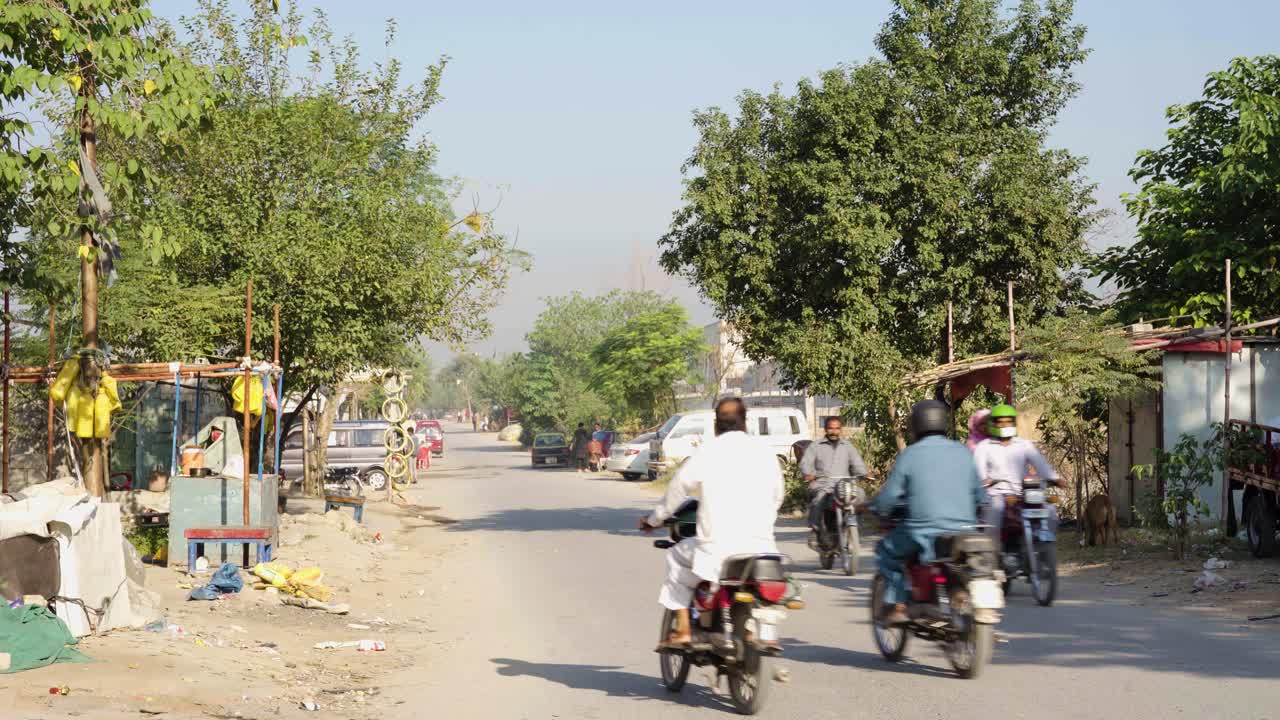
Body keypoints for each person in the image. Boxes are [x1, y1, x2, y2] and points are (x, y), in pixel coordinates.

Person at [639, 397, 784, 647]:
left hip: (717, 550)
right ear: (745, 422)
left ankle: (684, 629)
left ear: (716, 425)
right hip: (763, 550)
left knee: (675, 556)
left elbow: (678, 488)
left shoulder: (709, 452)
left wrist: (654, 520)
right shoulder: (765, 454)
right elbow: (778, 497)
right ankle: (746, 634)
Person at [858, 400, 987, 624]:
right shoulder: (962, 451)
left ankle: (897, 605)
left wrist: (877, 509)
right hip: (964, 531)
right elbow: (980, 496)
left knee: (886, 551)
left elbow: (888, 499)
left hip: (923, 531)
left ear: (916, 425)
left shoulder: (910, 455)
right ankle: (955, 593)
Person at [972, 404, 1064, 545]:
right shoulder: (984, 447)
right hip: (997, 495)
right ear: (993, 424)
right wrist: (984, 481)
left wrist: (1055, 479)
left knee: (1050, 511)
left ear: (1014, 423)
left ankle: (1043, 547)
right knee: (994, 514)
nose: (1004, 425)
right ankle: (992, 558)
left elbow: (1041, 465)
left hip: (1024, 494)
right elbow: (979, 474)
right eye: (1000, 422)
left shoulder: (1024, 445)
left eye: (1008, 421)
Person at [799, 416, 868, 542]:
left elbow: (857, 463)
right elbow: (805, 463)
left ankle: (855, 524)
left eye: (837, 429)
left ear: (840, 430)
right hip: (822, 483)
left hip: (844, 484)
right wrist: (808, 473)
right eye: (831, 428)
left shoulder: (848, 446)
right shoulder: (816, 446)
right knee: (819, 498)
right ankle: (815, 529)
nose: (834, 431)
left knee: (861, 494)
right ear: (825, 429)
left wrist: (864, 474)